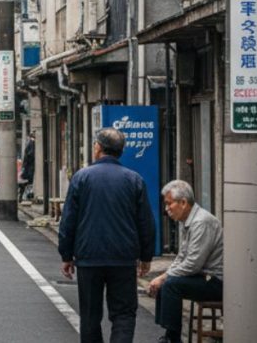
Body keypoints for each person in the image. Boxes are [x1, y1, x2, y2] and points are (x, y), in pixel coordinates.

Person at [58, 127, 155, 343]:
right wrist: (146, 257)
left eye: (94, 144)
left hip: (88, 257)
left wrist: (66, 255)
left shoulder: (82, 178)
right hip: (123, 257)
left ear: (99, 148)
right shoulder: (134, 179)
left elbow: (68, 220)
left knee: (90, 316)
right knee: (123, 314)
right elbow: (146, 222)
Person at [147, 180, 223, 343]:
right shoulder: (186, 221)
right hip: (202, 275)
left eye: (169, 204)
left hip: (215, 280)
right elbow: (181, 257)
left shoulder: (201, 222)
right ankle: (169, 334)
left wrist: (163, 278)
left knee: (171, 284)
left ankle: (173, 338)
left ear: (183, 202)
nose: (166, 209)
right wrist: (163, 276)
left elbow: (193, 263)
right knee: (168, 282)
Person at [19, 131, 36, 200]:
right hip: (30, 167)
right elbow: (30, 155)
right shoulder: (32, 143)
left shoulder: (30, 143)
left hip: (28, 167)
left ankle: (22, 196)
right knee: (28, 182)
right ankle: (25, 196)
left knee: (27, 182)